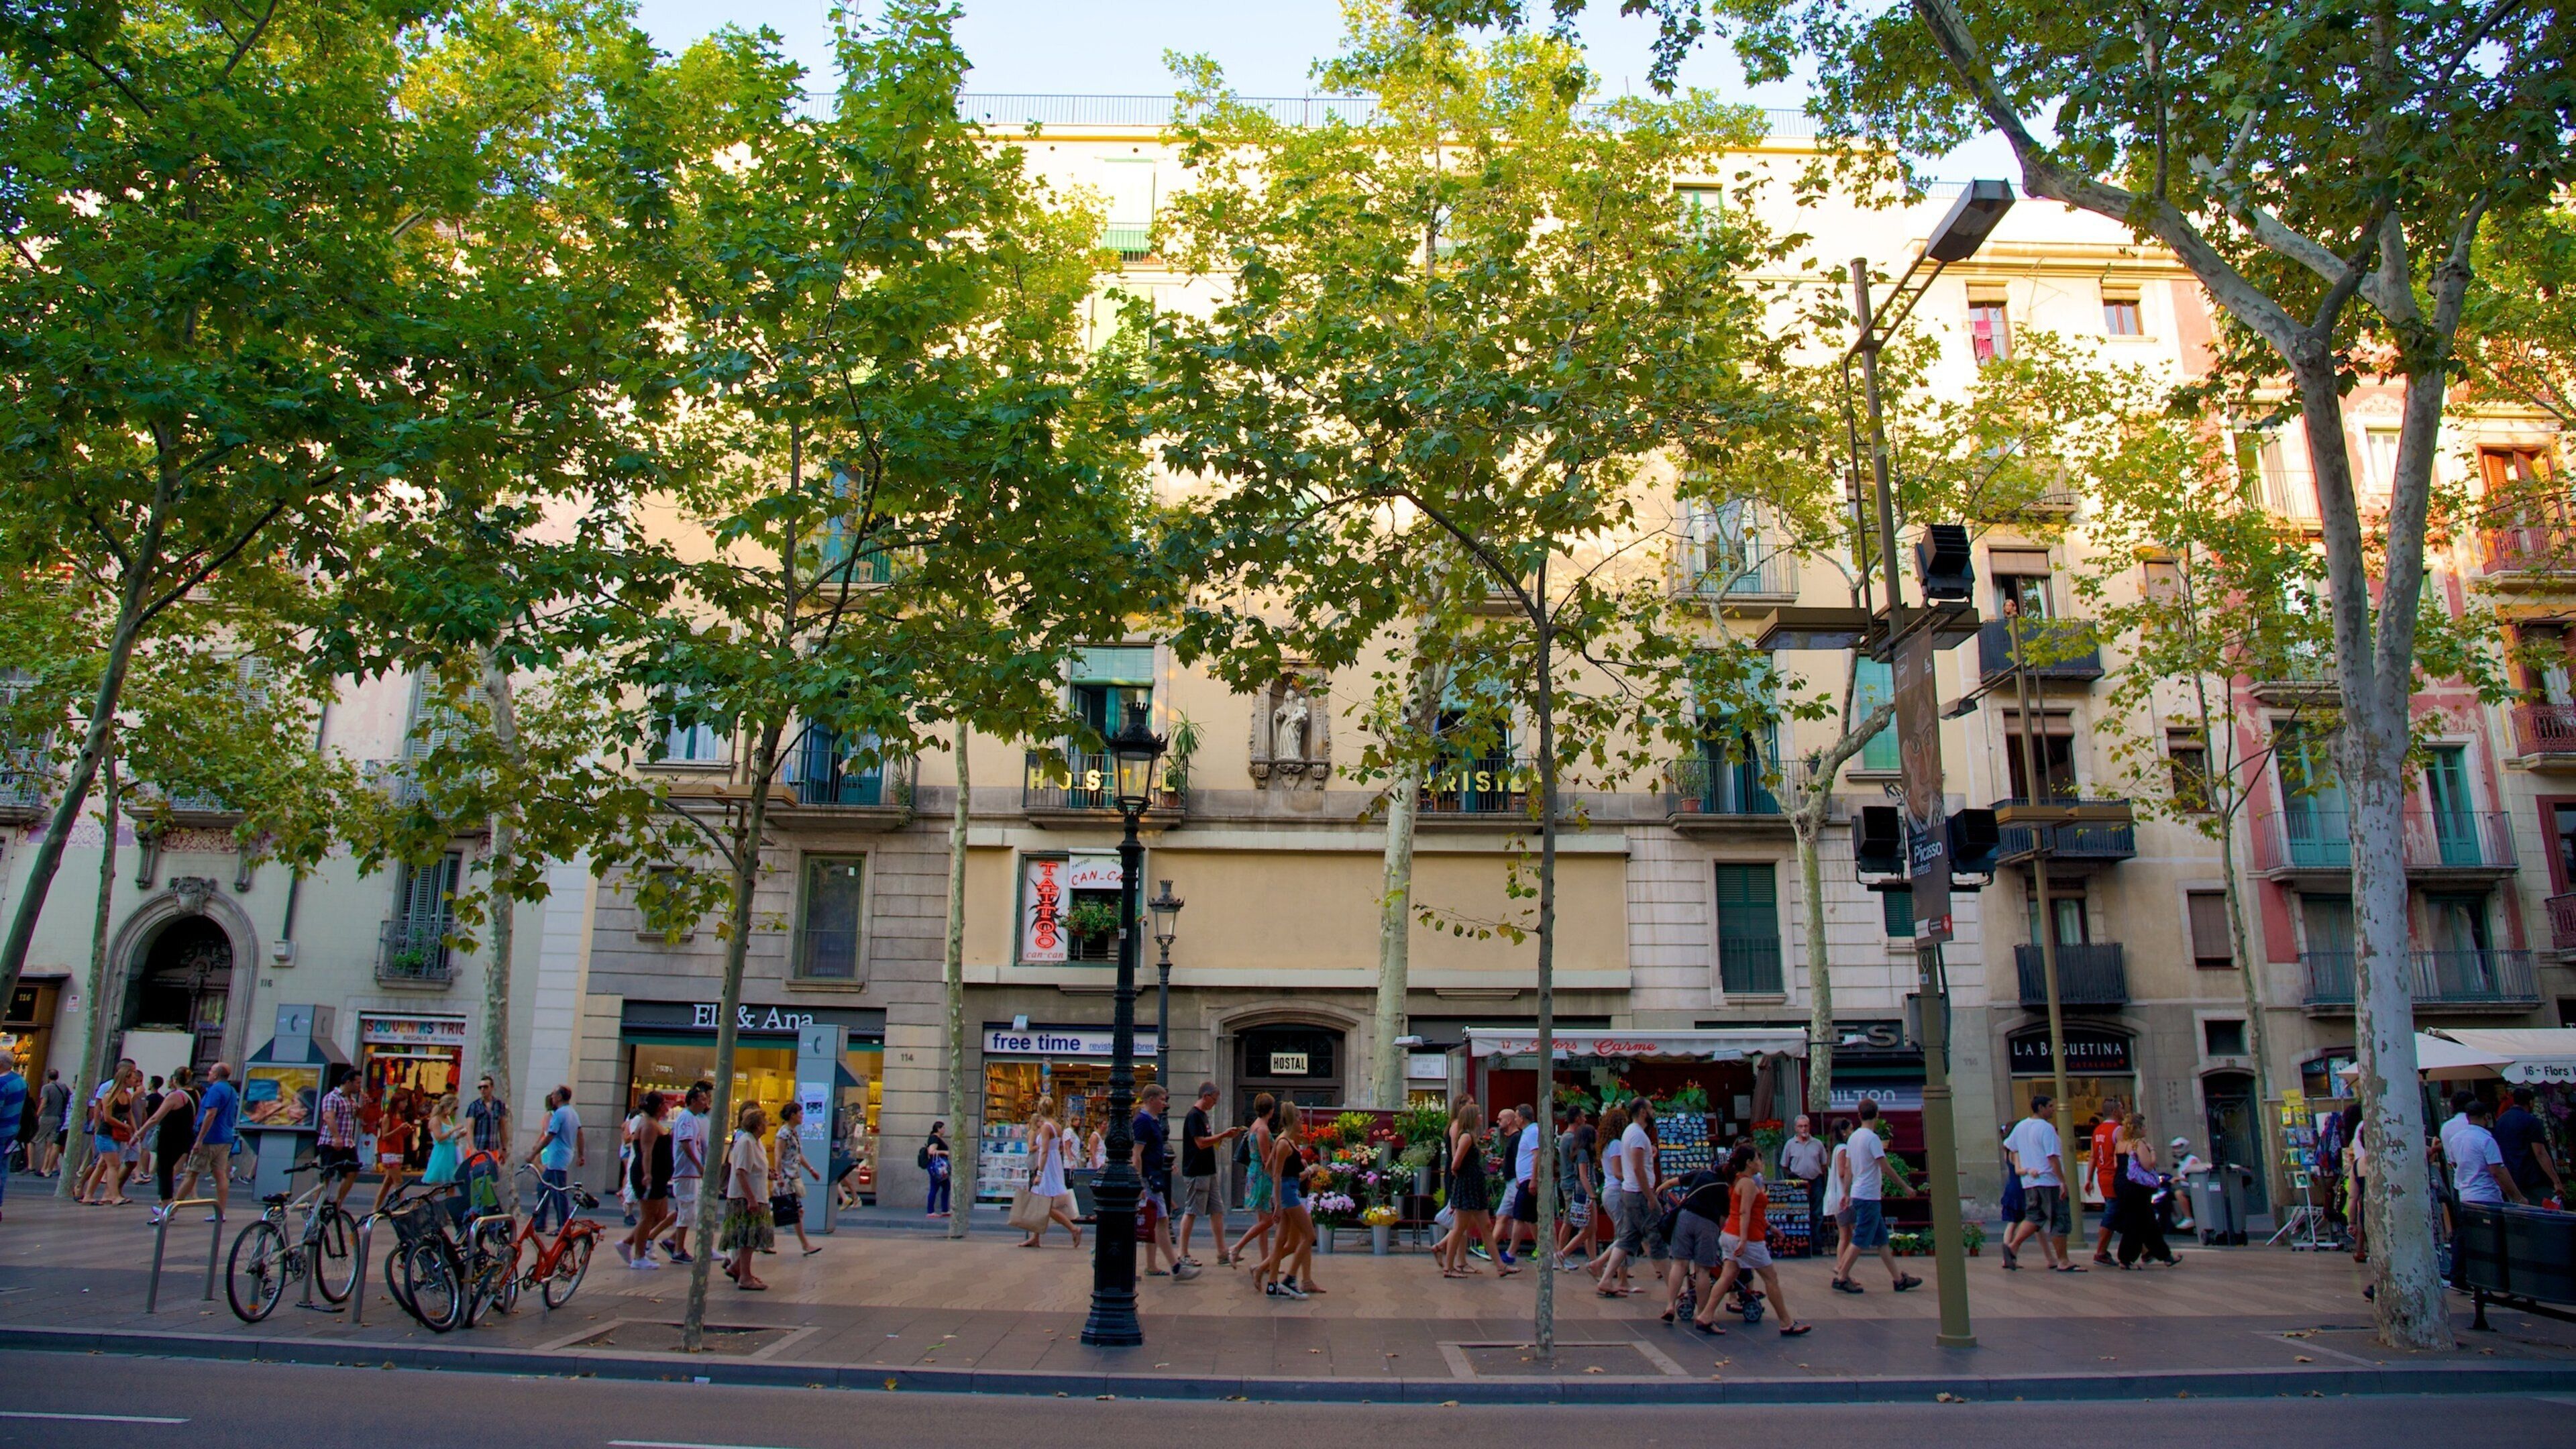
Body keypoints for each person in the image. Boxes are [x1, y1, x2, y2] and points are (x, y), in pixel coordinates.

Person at [1704, 1144, 1813, 1338]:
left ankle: (1705, 1316)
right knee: (1771, 1277)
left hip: (1732, 1234)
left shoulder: (1738, 1181)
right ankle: (1786, 1322)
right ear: (1749, 1163)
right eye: (1758, 1159)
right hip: (1747, 1237)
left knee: (1728, 1275)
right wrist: (1744, 1240)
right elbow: (1745, 1212)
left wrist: (1770, 1228)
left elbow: (1750, 1212)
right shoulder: (1747, 1183)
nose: (1761, 1162)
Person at [1833, 1097, 1924, 1293]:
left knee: (1882, 1240)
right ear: (1877, 1115)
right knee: (1860, 1239)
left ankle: (1898, 1279)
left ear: (1859, 1116)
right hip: (1869, 1196)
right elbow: (1885, 1167)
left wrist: (1846, 1193)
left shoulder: (1854, 1138)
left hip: (1859, 1193)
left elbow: (1848, 1168)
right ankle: (1841, 1276)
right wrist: (1906, 1187)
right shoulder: (1872, 1139)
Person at [2002, 1093, 2075, 1272]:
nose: (2053, 1110)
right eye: (2050, 1106)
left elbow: (2009, 1145)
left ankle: (2012, 1247)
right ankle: (2063, 1260)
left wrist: (2026, 1164)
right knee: (2059, 1219)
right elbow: (2052, 1158)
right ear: (2041, 1108)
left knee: (2035, 1216)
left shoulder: (2021, 1126)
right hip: (2048, 1180)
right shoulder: (2046, 1128)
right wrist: (2062, 1181)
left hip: (2030, 1182)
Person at [1438, 1099, 1507, 1279]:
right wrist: (1462, 1174)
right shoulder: (1466, 1137)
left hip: (1473, 1186)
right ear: (1472, 1118)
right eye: (1479, 1114)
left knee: (1485, 1226)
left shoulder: (1470, 1137)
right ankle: (1450, 1267)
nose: (1482, 1117)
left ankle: (1501, 1266)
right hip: (1468, 1186)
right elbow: (1456, 1162)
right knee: (1460, 1228)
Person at [1659, 1154, 1730, 1326]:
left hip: (1685, 1218)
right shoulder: (1726, 1189)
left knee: (1679, 1264)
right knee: (1703, 1270)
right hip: (1708, 1224)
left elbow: (1671, 1183)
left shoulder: (1701, 1174)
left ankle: (1670, 1306)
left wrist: (1658, 1192)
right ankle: (1703, 1313)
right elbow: (1722, 1220)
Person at [1132, 1084, 1195, 1279]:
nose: (1165, 1104)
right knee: (1160, 1220)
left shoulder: (1150, 1121)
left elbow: (1150, 1151)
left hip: (1153, 1177)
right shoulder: (1143, 1122)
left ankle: (1152, 1265)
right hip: (1148, 1180)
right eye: (1162, 1099)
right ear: (1151, 1099)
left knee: (1154, 1220)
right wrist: (1139, 1183)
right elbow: (1137, 1153)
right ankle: (1176, 1266)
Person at [1252, 1110, 1313, 1299]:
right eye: (1299, 1119)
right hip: (1288, 1195)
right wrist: (1278, 1202)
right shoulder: (1284, 1143)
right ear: (1291, 1121)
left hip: (1289, 1190)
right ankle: (1290, 1279)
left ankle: (1271, 1283)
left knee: (1282, 1241)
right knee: (1310, 1235)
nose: (1302, 1122)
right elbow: (1275, 1173)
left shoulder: (1286, 1141)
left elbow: (1270, 1167)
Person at [1177, 1082, 1240, 1268]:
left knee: (1217, 1210)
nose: (1216, 1103)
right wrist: (1223, 1136)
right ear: (1206, 1096)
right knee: (1191, 1211)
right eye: (1215, 1099)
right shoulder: (1194, 1116)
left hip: (1207, 1170)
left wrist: (1222, 1138)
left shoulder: (1203, 1116)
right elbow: (1200, 1143)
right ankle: (1183, 1253)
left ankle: (1222, 1252)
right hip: (1197, 1171)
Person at [170, 1063, 239, 1221]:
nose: (209, 1073)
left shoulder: (214, 1090)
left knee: (191, 1172)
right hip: (225, 1137)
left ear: (216, 1075)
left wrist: (199, 1139)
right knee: (221, 1175)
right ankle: (220, 1212)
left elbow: (210, 1114)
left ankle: (172, 1209)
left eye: (211, 1071)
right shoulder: (231, 1090)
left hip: (210, 1138)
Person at [2112, 1114, 2180, 1267]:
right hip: (2136, 1187)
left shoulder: (2120, 1144)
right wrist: (2153, 1151)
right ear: (2137, 1129)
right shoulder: (2138, 1144)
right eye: (2143, 1126)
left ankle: (2130, 1258)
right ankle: (2161, 1256)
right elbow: (2148, 1165)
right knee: (2145, 1221)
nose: (2146, 1129)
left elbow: (2117, 1165)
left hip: (2121, 1184)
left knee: (2137, 1221)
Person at [720, 1102, 774, 1290]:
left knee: (754, 1237)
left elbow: (755, 1168)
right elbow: (741, 1172)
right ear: (758, 1125)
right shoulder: (746, 1142)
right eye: (764, 1121)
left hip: (758, 1195)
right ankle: (744, 1275)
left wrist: (768, 1174)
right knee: (747, 1237)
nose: (767, 1123)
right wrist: (751, 1199)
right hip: (746, 1198)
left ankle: (740, 1269)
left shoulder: (756, 1143)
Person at [2441, 1091, 2525, 1210]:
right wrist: (2518, 1198)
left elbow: (2453, 1163)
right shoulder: (2486, 1140)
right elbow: (2498, 1172)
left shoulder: (2455, 1138)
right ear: (2486, 1117)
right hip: (2487, 1196)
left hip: (2464, 1195)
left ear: (2467, 1117)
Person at [1018, 1095, 1081, 1248]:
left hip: (1047, 1167)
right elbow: (1056, 1147)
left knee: (1044, 1203)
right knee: (1041, 1200)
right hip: (1054, 1163)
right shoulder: (1057, 1126)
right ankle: (1036, 1237)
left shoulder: (1046, 1127)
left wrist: (1039, 1173)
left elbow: (1044, 1151)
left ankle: (1073, 1228)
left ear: (1040, 1110)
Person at [620, 1091, 672, 1269]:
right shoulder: (649, 1125)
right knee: (648, 1216)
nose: (667, 1107)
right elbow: (647, 1152)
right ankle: (639, 1256)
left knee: (660, 1215)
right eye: (664, 1103)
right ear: (658, 1107)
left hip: (658, 1176)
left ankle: (627, 1242)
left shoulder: (653, 1123)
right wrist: (647, 1174)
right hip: (648, 1175)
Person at [138, 1066, 197, 1222]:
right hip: (185, 1137)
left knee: (164, 1173)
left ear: (175, 1080)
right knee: (169, 1171)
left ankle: (166, 1210)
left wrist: (139, 1133)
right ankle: (167, 1207)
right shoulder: (195, 1094)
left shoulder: (175, 1096)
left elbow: (155, 1118)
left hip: (170, 1138)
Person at [1228, 1095, 1279, 1271]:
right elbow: (1266, 1159)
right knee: (1269, 1220)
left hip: (1254, 1173)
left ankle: (1266, 1262)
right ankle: (1237, 1247)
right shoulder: (1263, 1130)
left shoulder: (1254, 1125)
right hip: (1262, 1176)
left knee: (1262, 1221)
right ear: (1271, 1110)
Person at [2493, 1086, 2564, 1205]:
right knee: (2550, 1212)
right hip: (2533, 1179)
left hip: (2512, 1178)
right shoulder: (2531, 1121)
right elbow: (2540, 1153)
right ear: (2530, 1102)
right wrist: (2556, 1181)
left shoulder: (2501, 1121)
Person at [664, 1080, 710, 1264]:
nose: (705, 1104)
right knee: (686, 1210)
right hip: (686, 1172)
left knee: (691, 1210)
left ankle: (675, 1242)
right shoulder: (686, 1118)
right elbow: (685, 1143)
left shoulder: (693, 1119)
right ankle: (678, 1249)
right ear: (692, 1101)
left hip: (691, 1172)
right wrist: (698, 1164)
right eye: (702, 1100)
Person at [525, 1085, 583, 1230]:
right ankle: (540, 1223)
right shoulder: (573, 1113)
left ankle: (563, 1225)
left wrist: (534, 1154)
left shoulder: (560, 1114)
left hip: (558, 1157)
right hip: (561, 1156)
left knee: (559, 1192)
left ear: (559, 1097)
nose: (552, 1096)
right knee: (543, 1187)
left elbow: (549, 1136)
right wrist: (581, 1155)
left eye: (554, 1094)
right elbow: (580, 1134)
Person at [772, 1099, 822, 1255]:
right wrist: (779, 1176)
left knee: (790, 1211)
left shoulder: (793, 1133)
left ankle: (804, 1244)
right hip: (786, 1179)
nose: (802, 1116)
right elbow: (778, 1156)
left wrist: (811, 1170)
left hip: (793, 1177)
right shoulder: (784, 1133)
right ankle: (805, 1245)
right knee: (793, 1211)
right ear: (793, 1115)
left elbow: (798, 1155)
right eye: (800, 1113)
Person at [312, 1063, 362, 1209]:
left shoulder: (352, 1100)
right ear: (348, 1082)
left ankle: (338, 1203)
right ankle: (317, 1206)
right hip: (330, 1142)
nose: (359, 1086)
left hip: (348, 1143)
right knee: (327, 1174)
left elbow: (359, 1116)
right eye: (357, 1083)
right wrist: (336, 1137)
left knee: (352, 1172)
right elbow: (329, 1117)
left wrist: (364, 1105)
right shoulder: (332, 1097)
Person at [1554, 1104, 1597, 1269]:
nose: (1585, 1119)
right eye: (1583, 1116)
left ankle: (1589, 1259)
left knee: (1579, 1223)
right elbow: (1582, 1171)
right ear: (1577, 1118)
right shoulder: (1573, 1140)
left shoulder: (1566, 1137)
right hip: (1574, 1185)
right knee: (1570, 1221)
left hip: (1571, 1183)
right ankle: (1560, 1255)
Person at [1778, 1114, 1828, 1256]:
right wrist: (1793, 1176)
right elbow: (1784, 1165)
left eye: (1806, 1126)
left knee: (1817, 1213)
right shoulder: (1790, 1144)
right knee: (1798, 1214)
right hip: (1798, 1183)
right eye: (1800, 1126)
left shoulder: (1817, 1144)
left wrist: (1816, 1173)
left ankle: (1816, 1246)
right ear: (1796, 1128)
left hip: (1815, 1181)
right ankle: (1801, 1246)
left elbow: (1824, 1164)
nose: (1803, 1129)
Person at [1503, 1102, 1543, 1265]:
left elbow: (1536, 1155)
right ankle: (1546, 1249)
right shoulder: (1528, 1132)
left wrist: (1533, 1179)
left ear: (1523, 1117)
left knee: (1520, 1216)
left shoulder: (1532, 1132)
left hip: (1529, 1181)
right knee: (1531, 1218)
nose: (1515, 1119)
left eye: (1517, 1116)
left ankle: (1511, 1252)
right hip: (1525, 1180)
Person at [2089, 1100, 2127, 1265]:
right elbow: (2123, 1155)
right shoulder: (2118, 1130)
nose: (2124, 1111)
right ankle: (2100, 1252)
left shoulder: (2098, 1130)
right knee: (2112, 1214)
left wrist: (2089, 1179)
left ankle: (2146, 1249)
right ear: (2115, 1111)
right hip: (2115, 1176)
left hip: (2102, 1175)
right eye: (2121, 1108)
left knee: (2122, 1212)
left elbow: (2093, 1156)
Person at [1818, 1119, 1856, 1285]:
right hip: (1844, 1197)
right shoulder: (1843, 1149)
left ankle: (1842, 1267)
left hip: (1838, 1196)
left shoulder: (1836, 1149)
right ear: (1844, 1132)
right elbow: (1842, 1172)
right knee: (1849, 1235)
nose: (1853, 1132)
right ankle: (1842, 1266)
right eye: (1851, 1129)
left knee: (1845, 1235)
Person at [372, 1088, 416, 1213]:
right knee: (398, 1181)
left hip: (398, 1150)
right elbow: (385, 1136)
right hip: (389, 1152)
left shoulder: (401, 1116)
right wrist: (399, 1129)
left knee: (388, 1182)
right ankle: (402, 1207)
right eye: (404, 1102)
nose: (406, 1105)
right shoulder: (388, 1117)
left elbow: (400, 1135)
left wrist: (407, 1130)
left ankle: (376, 1207)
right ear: (397, 1103)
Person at [420, 1091, 465, 1188]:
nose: (456, 1111)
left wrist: (459, 1136)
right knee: (436, 1187)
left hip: (450, 1152)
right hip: (441, 1154)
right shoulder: (436, 1120)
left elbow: (449, 1138)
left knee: (450, 1186)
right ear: (447, 1107)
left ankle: (450, 1202)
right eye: (455, 1108)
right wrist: (454, 1129)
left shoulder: (448, 1118)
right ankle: (417, 1203)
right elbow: (439, 1138)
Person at [464, 1075, 511, 1162]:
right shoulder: (474, 1106)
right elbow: (470, 1128)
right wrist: (472, 1148)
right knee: (477, 1174)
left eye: (485, 1087)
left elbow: (502, 1128)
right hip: (478, 1148)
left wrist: (504, 1149)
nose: (482, 1090)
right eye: (480, 1087)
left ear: (492, 1088)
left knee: (491, 1174)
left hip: (493, 1148)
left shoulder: (499, 1105)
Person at [36, 1068, 69, 1177]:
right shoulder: (63, 1087)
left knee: (37, 1140)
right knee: (51, 1144)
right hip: (58, 1118)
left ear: (48, 1077)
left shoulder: (46, 1088)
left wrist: (37, 1115)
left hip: (47, 1116)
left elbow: (44, 1103)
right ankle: (47, 1167)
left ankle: (38, 1166)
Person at [0, 1057, 21, 1218]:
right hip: (12, 1128)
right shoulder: (19, 1080)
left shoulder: (3, 1083)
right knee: (3, 1168)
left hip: (2, 1128)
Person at [920, 1120, 952, 1218]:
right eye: (943, 1128)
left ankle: (945, 1210)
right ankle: (931, 1211)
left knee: (946, 1187)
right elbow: (931, 1151)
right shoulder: (934, 1138)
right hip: (937, 1167)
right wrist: (945, 1152)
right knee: (935, 1188)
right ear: (938, 1129)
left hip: (940, 1168)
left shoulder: (936, 1138)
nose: (944, 1130)